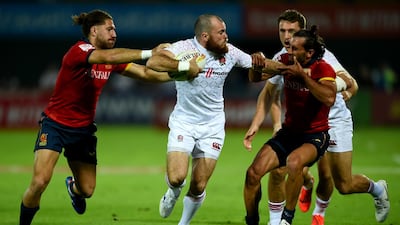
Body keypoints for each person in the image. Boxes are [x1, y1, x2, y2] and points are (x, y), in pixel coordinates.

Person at [18, 9, 197, 225]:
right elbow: (107, 56)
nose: (114, 33)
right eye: (109, 28)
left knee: (87, 190)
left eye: (115, 29)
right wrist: (151, 52)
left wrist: (182, 72)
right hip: (55, 125)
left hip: (83, 131)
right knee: (40, 181)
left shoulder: (112, 59)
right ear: (94, 30)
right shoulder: (80, 50)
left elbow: (146, 74)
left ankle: (73, 188)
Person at [243, 9, 390, 225]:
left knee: (343, 184)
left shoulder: (324, 58)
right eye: (282, 30)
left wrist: (333, 87)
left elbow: (349, 82)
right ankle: (279, 219)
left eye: (291, 31)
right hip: (300, 126)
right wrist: (259, 123)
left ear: (301, 32)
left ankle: (377, 189)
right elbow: (266, 89)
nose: (286, 36)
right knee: (281, 168)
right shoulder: (283, 57)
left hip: (333, 120)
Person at [146, 14, 265, 225]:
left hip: (213, 127)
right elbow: (154, 61)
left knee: (199, 185)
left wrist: (284, 67)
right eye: (221, 32)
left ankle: (184, 223)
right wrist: (184, 67)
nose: (226, 36)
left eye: (225, 31)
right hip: (184, 121)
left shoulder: (230, 52)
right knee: (177, 178)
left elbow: (257, 65)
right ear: (204, 36)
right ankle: (172, 193)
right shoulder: (184, 48)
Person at [243, 25, 338, 225]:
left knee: (294, 163)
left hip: (315, 136)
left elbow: (329, 98)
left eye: (295, 48)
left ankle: (286, 220)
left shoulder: (323, 69)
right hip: (289, 133)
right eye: (290, 47)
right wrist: (256, 64)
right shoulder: (285, 61)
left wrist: (303, 76)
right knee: (253, 174)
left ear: (309, 52)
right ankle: (252, 220)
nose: (290, 51)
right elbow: (255, 78)